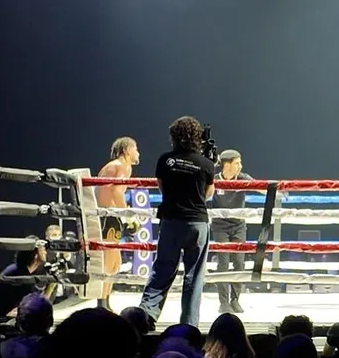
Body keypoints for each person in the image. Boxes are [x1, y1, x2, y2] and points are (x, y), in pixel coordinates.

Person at [138, 116, 216, 327]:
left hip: (172, 219)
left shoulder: (165, 160)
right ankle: (189, 324)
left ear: (174, 137)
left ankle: (147, 315)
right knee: (194, 275)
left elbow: (163, 189)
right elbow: (207, 194)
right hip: (197, 222)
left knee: (162, 268)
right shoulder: (206, 164)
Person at [95, 137, 141, 310]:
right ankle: (101, 304)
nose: (138, 152)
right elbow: (116, 192)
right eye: (136, 148)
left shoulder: (116, 166)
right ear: (127, 150)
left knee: (114, 263)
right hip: (109, 215)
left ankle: (105, 302)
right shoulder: (121, 166)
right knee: (109, 262)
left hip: (109, 214)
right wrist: (129, 217)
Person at [210, 149, 253, 314]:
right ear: (226, 165)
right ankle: (223, 302)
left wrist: (276, 190)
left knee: (239, 262)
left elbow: (261, 187)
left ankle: (235, 300)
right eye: (237, 163)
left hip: (238, 225)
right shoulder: (214, 180)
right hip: (220, 226)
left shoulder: (242, 178)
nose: (240, 166)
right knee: (223, 263)